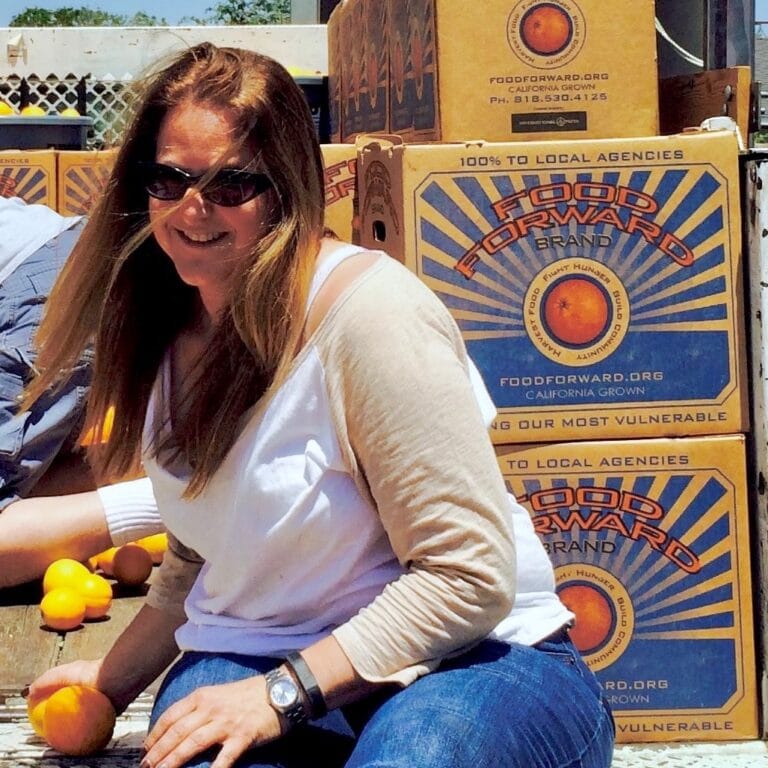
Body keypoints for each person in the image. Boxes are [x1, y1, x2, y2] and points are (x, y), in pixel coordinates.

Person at [28, 43, 614, 768]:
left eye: (231, 184)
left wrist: (282, 695)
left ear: (288, 188)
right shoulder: (170, 324)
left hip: (477, 659)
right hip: (268, 654)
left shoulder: (370, 316)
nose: (191, 207)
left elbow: (468, 575)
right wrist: (110, 687)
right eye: (169, 177)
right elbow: (201, 555)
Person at [0, 195, 162, 587]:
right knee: (28, 485)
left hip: (36, 281)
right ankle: (177, 481)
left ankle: (188, 496)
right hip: (62, 254)